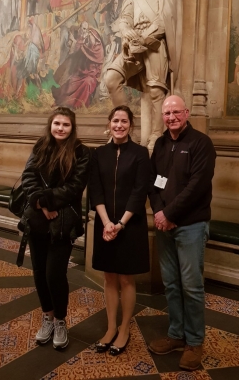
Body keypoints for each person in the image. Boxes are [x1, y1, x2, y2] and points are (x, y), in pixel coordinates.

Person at [148, 95, 216, 371]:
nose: (172, 117)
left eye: (176, 112)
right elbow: (153, 184)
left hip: (191, 226)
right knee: (171, 284)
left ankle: (194, 342)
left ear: (186, 113)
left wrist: (170, 214)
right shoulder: (161, 144)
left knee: (192, 286)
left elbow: (197, 186)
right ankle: (176, 334)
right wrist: (158, 213)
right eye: (167, 113)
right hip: (165, 226)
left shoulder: (201, 144)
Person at [21, 107, 91, 349]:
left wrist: (48, 201)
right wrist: (41, 204)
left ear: (72, 127)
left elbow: (74, 187)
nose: (60, 128)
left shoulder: (81, 151)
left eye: (66, 125)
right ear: (51, 125)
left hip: (63, 223)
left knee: (55, 274)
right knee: (39, 273)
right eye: (57, 124)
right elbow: (28, 177)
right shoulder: (41, 146)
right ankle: (48, 317)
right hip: (38, 221)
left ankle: (60, 320)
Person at [105, 0, 182, 152]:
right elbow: (125, 17)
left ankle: (156, 135)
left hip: (155, 44)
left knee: (156, 90)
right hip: (133, 45)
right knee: (111, 80)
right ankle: (128, 130)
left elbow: (169, 21)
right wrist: (126, 29)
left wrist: (146, 36)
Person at [90, 105, 150, 356]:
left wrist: (120, 224)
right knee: (109, 277)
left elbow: (139, 192)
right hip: (105, 224)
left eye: (124, 121)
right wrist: (106, 223)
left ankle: (125, 328)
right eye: (115, 120)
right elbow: (96, 190)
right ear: (109, 123)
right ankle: (111, 326)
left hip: (130, 225)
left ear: (131, 125)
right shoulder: (98, 153)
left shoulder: (140, 153)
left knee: (126, 278)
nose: (119, 125)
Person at [52, 21, 104, 109]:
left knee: (87, 83)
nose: (85, 32)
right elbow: (76, 50)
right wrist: (81, 40)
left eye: (86, 29)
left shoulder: (96, 49)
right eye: (83, 29)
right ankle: (63, 102)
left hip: (91, 75)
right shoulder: (82, 40)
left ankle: (79, 106)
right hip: (81, 73)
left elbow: (96, 62)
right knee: (71, 82)